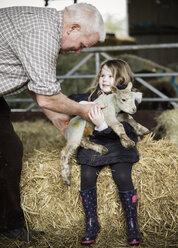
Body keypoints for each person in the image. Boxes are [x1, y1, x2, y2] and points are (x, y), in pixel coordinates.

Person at [0, 3, 105, 241]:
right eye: (82, 45)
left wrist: (66, 126)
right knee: (7, 151)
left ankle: (8, 226)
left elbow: (37, 88)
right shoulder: (42, 33)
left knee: (8, 151)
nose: (78, 51)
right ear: (73, 28)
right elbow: (48, 98)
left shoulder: (44, 23)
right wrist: (84, 110)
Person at [69, 59, 142, 246]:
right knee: (86, 174)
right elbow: (73, 100)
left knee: (123, 175)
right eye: (102, 75)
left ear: (121, 79)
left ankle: (132, 224)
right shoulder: (94, 95)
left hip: (118, 144)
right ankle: (92, 223)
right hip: (96, 143)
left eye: (111, 76)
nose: (105, 79)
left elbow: (127, 125)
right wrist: (81, 105)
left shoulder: (125, 97)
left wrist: (103, 125)